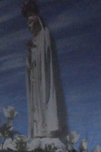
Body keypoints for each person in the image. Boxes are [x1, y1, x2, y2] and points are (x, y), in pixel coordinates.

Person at [22, 0, 67, 140]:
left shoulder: (44, 34)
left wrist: (35, 48)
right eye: (28, 22)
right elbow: (31, 62)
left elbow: (46, 55)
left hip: (43, 76)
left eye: (31, 21)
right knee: (36, 101)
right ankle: (38, 130)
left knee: (45, 98)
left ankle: (48, 127)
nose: (30, 25)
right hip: (35, 77)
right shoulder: (34, 40)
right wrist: (30, 53)